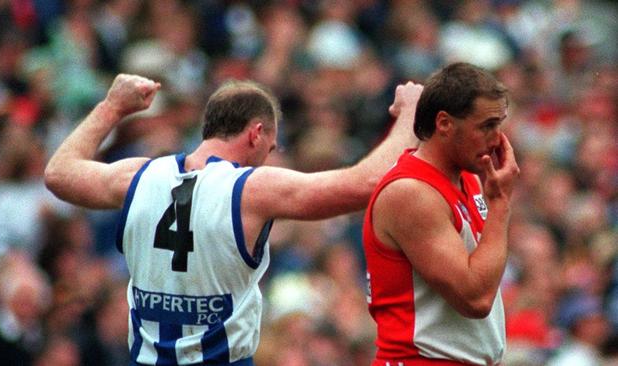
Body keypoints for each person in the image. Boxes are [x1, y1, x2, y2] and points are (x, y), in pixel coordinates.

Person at [44, 73, 422, 366]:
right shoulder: (250, 190)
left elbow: (59, 174)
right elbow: (368, 182)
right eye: (270, 148)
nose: (267, 157)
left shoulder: (139, 176)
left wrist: (112, 106)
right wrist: (410, 115)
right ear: (256, 133)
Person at [362, 62, 520, 366]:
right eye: (486, 125)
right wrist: (499, 204)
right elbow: (475, 298)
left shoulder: (470, 179)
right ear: (444, 123)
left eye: (499, 124)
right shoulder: (411, 192)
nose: (498, 138)